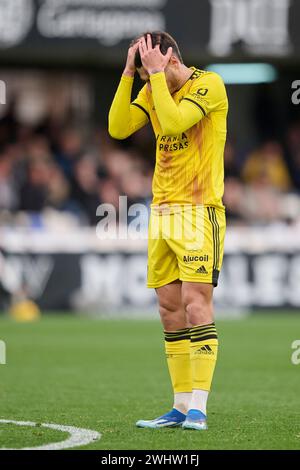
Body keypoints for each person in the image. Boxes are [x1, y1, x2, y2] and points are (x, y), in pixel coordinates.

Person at [109, 31, 228, 431]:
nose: (148, 82)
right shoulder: (150, 85)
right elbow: (118, 128)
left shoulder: (209, 84)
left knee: (196, 304)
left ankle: (199, 407)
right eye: (143, 77)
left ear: (171, 58)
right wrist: (129, 74)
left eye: (152, 72)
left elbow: (176, 120)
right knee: (169, 310)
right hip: (162, 213)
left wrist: (156, 77)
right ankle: (179, 406)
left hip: (199, 212)